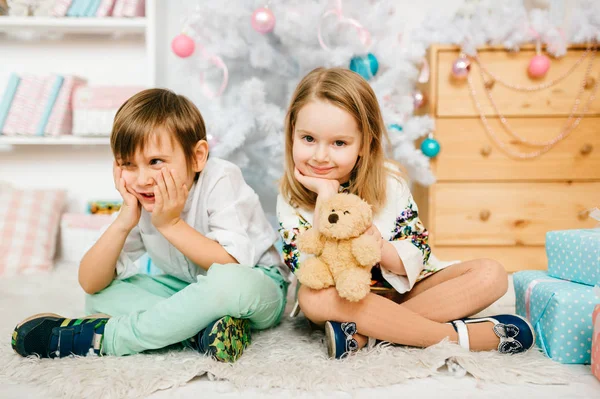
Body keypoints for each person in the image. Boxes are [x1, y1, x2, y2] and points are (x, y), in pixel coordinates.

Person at [12, 88, 290, 362]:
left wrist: (170, 224)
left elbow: (230, 263)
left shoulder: (220, 178)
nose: (142, 178)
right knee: (99, 298)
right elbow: (90, 281)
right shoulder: (141, 200)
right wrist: (123, 222)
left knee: (227, 284)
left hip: (257, 286)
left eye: (155, 162)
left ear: (197, 157)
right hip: (185, 289)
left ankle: (109, 339)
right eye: (128, 164)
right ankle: (201, 333)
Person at [276, 67, 534, 359]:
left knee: (492, 274)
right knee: (312, 298)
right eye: (308, 139)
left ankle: (365, 334)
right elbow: (309, 269)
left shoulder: (389, 183)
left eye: (339, 143)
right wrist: (326, 198)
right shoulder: (290, 199)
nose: (320, 155)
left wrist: (380, 249)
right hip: (343, 299)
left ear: (365, 143)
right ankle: (455, 338)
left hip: (405, 291)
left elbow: (418, 250)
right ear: (292, 135)